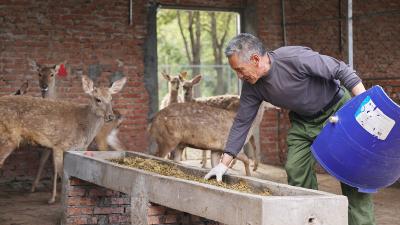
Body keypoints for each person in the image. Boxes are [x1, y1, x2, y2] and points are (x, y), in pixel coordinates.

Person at [204, 33, 375, 225]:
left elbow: (341, 70)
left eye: (240, 69)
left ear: (255, 59)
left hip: (337, 111)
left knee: (351, 173)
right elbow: (243, 121)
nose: (239, 75)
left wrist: (366, 107)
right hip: (303, 122)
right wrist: (223, 164)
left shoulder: (293, 58)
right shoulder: (252, 86)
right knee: (295, 169)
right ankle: (311, 219)